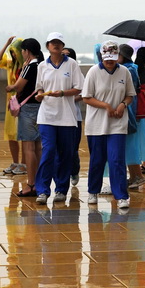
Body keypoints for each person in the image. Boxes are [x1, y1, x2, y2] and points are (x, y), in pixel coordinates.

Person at [82, 41, 135, 209]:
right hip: (97, 124)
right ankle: (93, 191)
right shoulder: (93, 72)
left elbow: (130, 95)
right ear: (102, 57)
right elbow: (86, 97)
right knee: (97, 160)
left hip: (118, 124)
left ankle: (121, 196)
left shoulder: (124, 72)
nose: (110, 62)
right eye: (107, 59)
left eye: (113, 59)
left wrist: (122, 105)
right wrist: (105, 106)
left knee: (117, 160)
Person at [34, 32, 84, 205]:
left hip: (67, 117)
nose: (55, 45)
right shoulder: (42, 66)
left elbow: (79, 88)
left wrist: (62, 93)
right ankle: (42, 190)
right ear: (47, 46)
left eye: (59, 42)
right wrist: (40, 95)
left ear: (63, 46)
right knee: (48, 152)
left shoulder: (72, 64)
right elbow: (39, 88)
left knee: (66, 153)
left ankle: (61, 189)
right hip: (46, 116)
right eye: (52, 42)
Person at [5, 38, 44, 197]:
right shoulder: (42, 65)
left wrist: (11, 87)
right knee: (38, 147)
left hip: (28, 109)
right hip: (40, 108)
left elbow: (19, 86)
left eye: (22, 50)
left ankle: (31, 183)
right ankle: (40, 182)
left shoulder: (31, 66)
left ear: (27, 51)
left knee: (28, 148)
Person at [118, 44, 145, 189]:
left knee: (130, 146)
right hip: (130, 111)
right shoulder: (132, 68)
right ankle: (134, 176)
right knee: (130, 145)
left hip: (128, 112)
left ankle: (137, 176)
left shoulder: (127, 70)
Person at [0, 36, 26, 175]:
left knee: (25, 135)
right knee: (11, 134)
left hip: (23, 103)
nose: (13, 54)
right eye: (11, 52)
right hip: (11, 104)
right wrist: (7, 44)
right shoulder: (10, 64)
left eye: (15, 51)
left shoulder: (27, 66)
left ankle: (24, 164)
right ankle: (15, 162)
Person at [61, 47, 83, 187]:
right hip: (59, 116)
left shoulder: (78, 73)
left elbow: (83, 93)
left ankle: (74, 171)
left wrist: (71, 98)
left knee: (73, 147)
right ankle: (61, 176)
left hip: (75, 116)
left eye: (66, 55)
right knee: (61, 148)